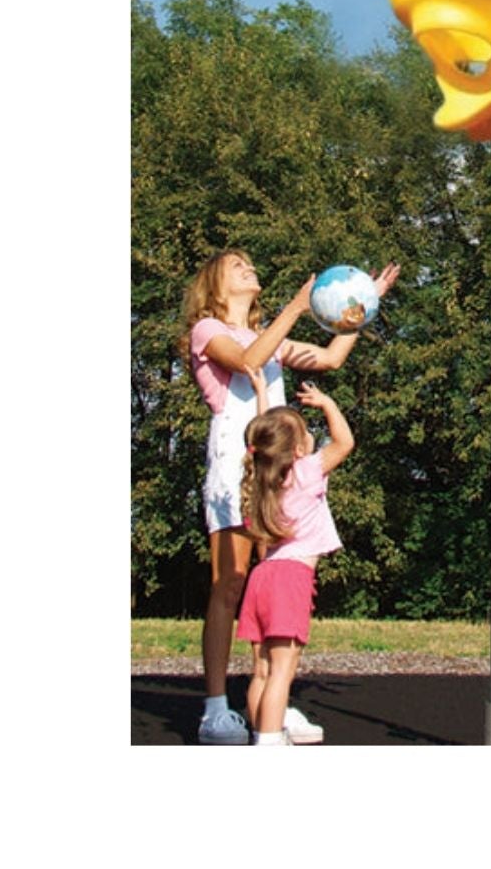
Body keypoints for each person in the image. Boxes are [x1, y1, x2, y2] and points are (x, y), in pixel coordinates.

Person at [181, 250, 399, 745]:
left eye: (249, 263)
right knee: (229, 585)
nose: (249, 268)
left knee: (270, 586)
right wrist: (298, 307)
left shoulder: (270, 340)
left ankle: (268, 709)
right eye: (237, 266)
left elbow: (330, 357)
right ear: (216, 286)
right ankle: (215, 709)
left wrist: (360, 307)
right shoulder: (208, 332)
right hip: (233, 465)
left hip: (272, 476)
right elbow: (247, 360)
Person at [236, 379, 357, 745]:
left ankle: (261, 735)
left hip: (261, 580)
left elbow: (264, 442)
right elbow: (345, 443)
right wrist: (327, 404)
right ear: (299, 449)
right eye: (306, 434)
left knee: (261, 671)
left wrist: (261, 397)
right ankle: (271, 741)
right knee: (281, 673)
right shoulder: (305, 474)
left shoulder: (259, 482)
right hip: (291, 580)